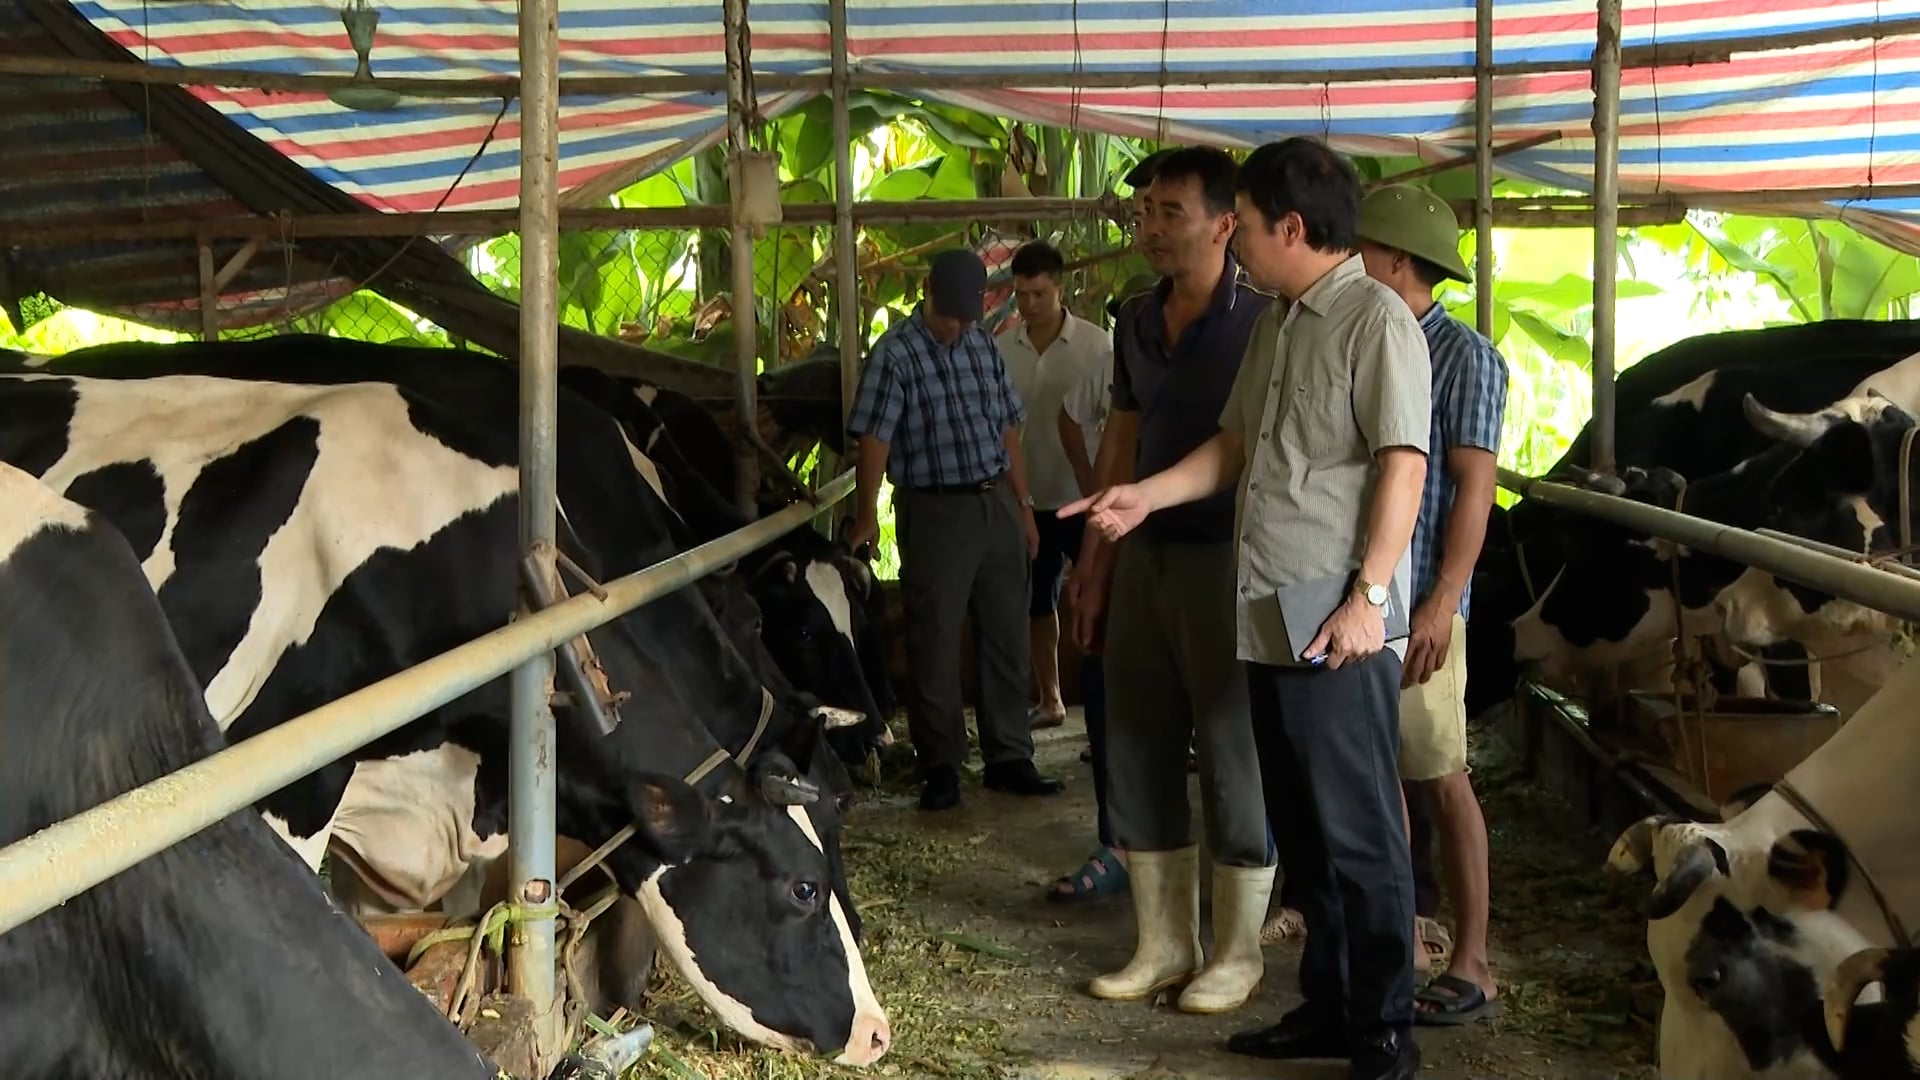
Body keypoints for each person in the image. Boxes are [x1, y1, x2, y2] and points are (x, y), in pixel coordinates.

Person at [1063, 136, 1431, 1080]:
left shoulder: (1375, 322)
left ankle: (1386, 1026)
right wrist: (1144, 496)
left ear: (1291, 229)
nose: (1244, 247)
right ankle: (1330, 1001)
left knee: (1357, 829)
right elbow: (1232, 446)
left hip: (1337, 620)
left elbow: (1404, 467)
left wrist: (1370, 598)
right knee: (1304, 823)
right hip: (1268, 607)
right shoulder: (1281, 321)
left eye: (1253, 229)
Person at [1062, 145, 1279, 1017]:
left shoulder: (1265, 317)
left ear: (1225, 223)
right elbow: (1122, 436)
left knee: (1232, 750)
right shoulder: (1134, 319)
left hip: (1231, 551)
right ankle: (1161, 942)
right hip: (1142, 549)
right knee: (1139, 738)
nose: (1149, 227)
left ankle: (1238, 951)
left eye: (1169, 212)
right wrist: (1093, 566)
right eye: (1143, 210)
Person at [1355, 184, 1507, 1028]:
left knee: (1442, 776)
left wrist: (1445, 599)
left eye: (1364, 251)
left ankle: (1475, 957)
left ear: (1398, 263)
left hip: (1420, 602)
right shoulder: (1372, 341)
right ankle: (1405, 934)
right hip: (1367, 600)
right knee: (1383, 777)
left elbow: (1473, 489)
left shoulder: (1466, 357)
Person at [845, 248, 1067, 812]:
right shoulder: (894, 354)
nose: (957, 325)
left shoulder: (981, 346)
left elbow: (1008, 427)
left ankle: (1009, 755)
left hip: (995, 501)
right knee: (936, 639)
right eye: (949, 315)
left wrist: (1023, 504)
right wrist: (866, 513)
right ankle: (941, 765)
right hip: (935, 508)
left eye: (966, 316)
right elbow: (875, 438)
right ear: (927, 294)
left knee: (1006, 629)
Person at [998, 241, 1115, 734]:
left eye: (1039, 294)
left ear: (1060, 289)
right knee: (1036, 603)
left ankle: (1107, 719)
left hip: (1083, 496)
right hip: (1028, 500)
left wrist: (1100, 492)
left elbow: (1114, 424)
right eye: (1021, 295)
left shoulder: (1098, 345)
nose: (1028, 305)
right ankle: (1051, 699)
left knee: (1099, 598)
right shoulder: (1001, 348)